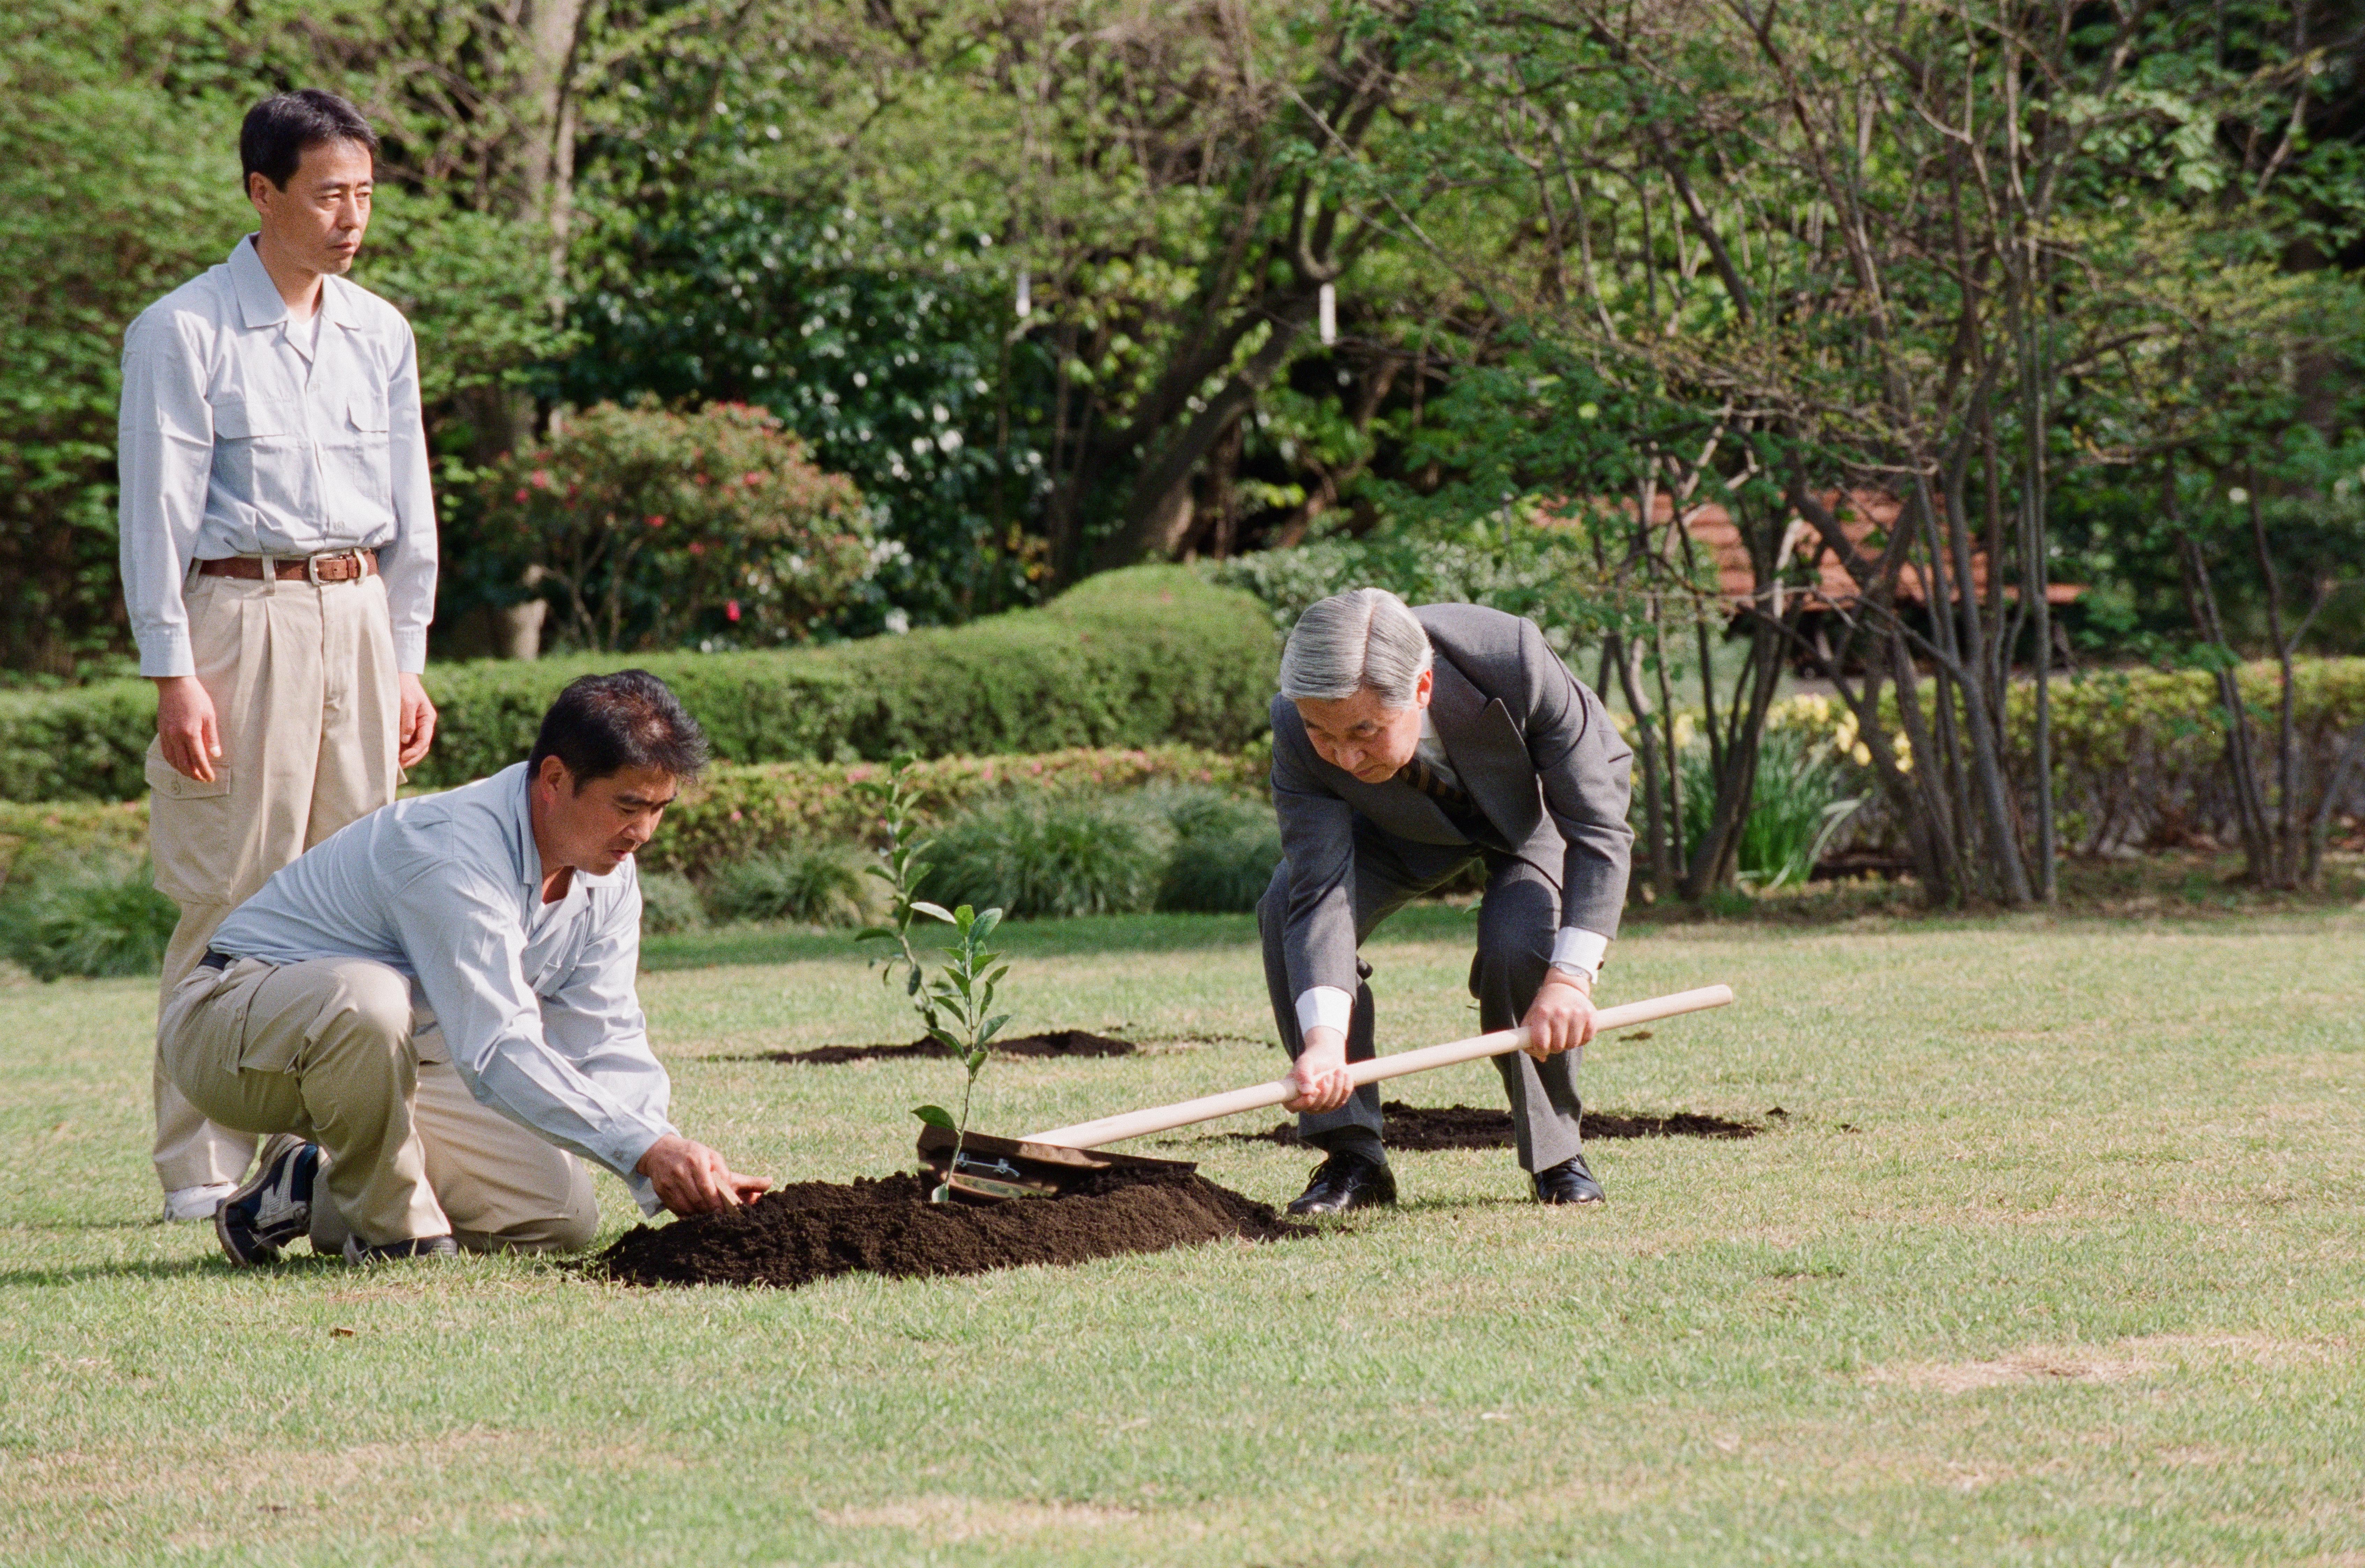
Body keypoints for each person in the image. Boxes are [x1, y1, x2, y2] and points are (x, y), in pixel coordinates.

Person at [119, 89, 440, 1222]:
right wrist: (173, 672)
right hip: (237, 620)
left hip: (357, 615)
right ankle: (200, 1169)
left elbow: (411, 509)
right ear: (263, 193)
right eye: (327, 195)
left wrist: (406, 656)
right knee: (231, 890)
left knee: (355, 893)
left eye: (363, 194)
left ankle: (323, 1156)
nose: (351, 217)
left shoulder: (381, 331)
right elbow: (154, 514)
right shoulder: (182, 330)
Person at [157, 671, 768, 1265]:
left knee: (557, 1219)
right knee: (369, 999)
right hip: (228, 1030)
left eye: (660, 809)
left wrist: (667, 1154)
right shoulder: (451, 850)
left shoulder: (609, 878)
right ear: (554, 779)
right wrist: (647, 1150)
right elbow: (497, 1049)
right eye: (628, 806)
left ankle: (304, 1186)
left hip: (405, 1057)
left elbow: (606, 1035)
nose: (643, 832)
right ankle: (396, 1235)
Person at [1260, 589, 1634, 1214]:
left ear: (1424, 687)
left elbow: (1596, 829)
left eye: (1365, 731)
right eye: (1324, 736)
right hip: (1401, 825)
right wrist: (1324, 1039)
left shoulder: (1508, 656)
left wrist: (1571, 979)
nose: (1345, 757)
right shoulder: (1296, 726)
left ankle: (1557, 1156)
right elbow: (1320, 892)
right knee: (1282, 908)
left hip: (1538, 809)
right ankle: (1353, 1156)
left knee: (1518, 946)